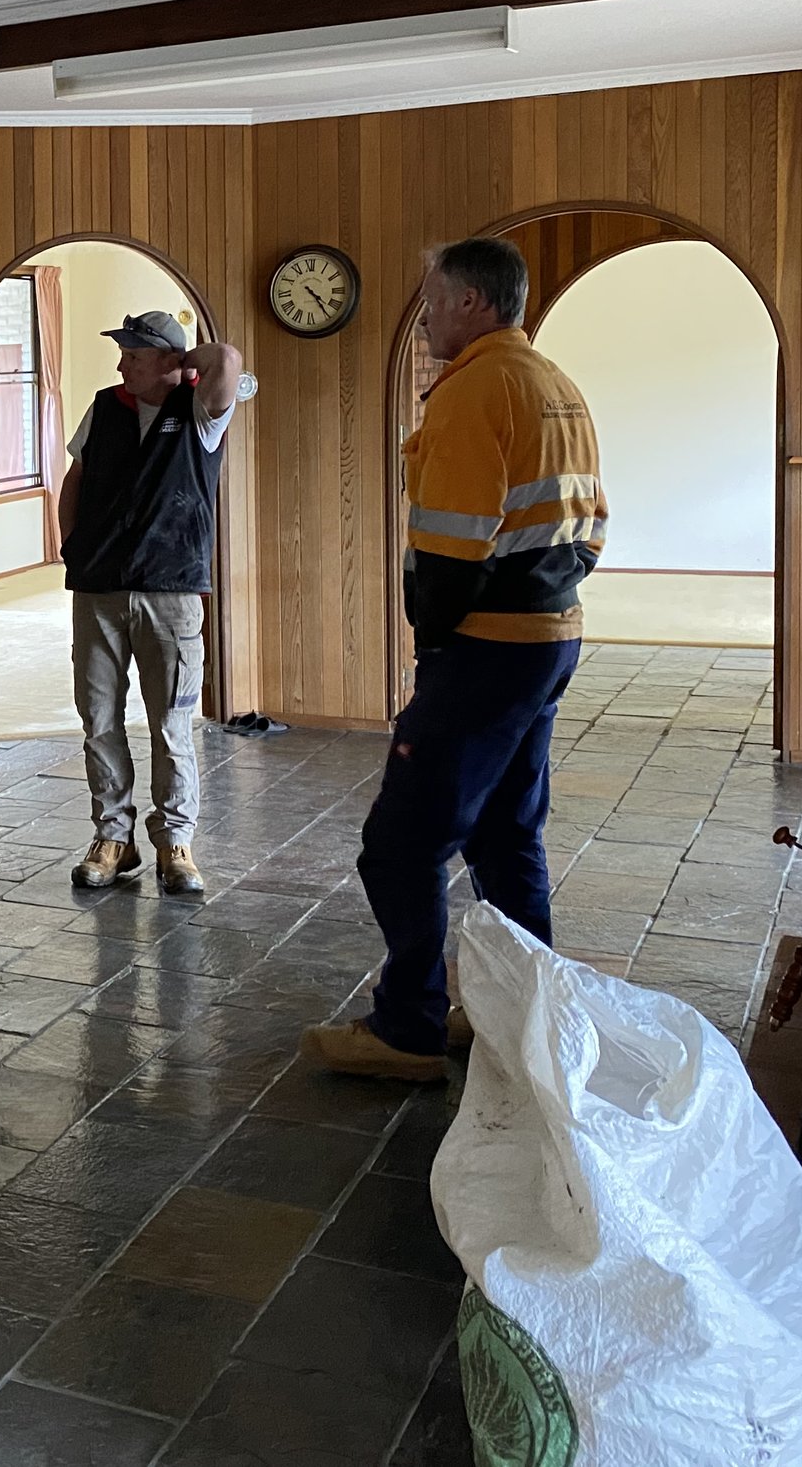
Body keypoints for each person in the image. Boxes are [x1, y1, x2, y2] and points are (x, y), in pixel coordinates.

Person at [305, 237, 606, 1080]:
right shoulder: (557, 386)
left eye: (435, 299)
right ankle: (522, 1013)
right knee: (509, 835)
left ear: (474, 302)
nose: (429, 314)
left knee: (400, 843)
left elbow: (451, 549)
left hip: (482, 651)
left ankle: (407, 1027)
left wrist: (434, 638)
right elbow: (592, 531)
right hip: (550, 640)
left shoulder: (475, 392)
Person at [59, 311, 246, 897]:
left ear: (168, 360)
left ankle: (176, 841)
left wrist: (180, 367)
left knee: (171, 724)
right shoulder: (104, 406)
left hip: (171, 590)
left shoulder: (201, 412)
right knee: (99, 720)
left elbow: (230, 362)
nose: (121, 365)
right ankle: (113, 837)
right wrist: (71, 548)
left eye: (134, 356)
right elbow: (76, 479)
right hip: (99, 586)